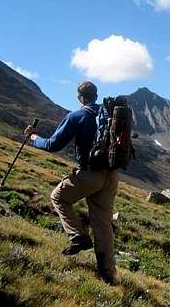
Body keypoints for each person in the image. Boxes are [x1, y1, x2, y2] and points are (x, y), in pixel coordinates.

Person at [24, 81, 118, 284]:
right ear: (96, 95)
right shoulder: (110, 115)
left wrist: (33, 137)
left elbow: (52, 145)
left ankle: (78, 237)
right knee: (103, 226)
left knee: (58, 197)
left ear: (80, 97)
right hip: (111, 177)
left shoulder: (77, 116)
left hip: (89, 174)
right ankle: (108, 276)